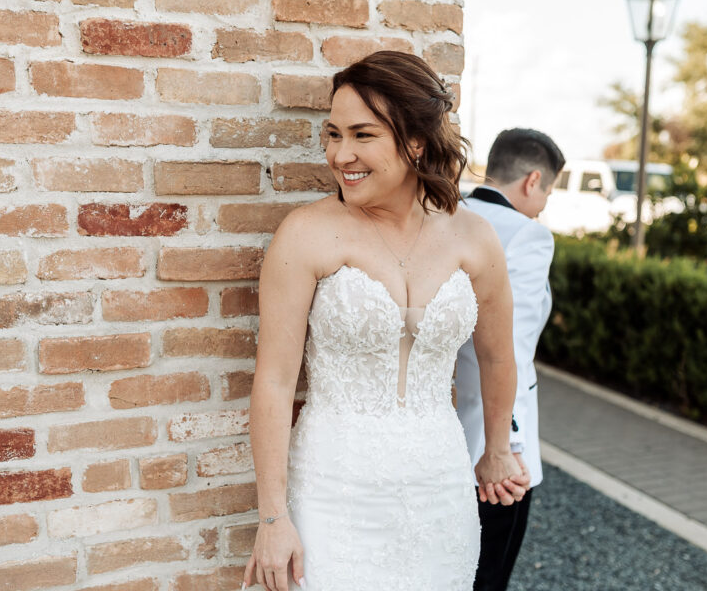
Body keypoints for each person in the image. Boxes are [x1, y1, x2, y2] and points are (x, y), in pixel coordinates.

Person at [242, 51, 528, 591]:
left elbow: (496, 357)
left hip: (439, 492)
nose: (340, 154)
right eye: (333, 134)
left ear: (415, 141)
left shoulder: (473, 237)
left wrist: (496, 450)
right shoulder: (305, 234)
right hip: (332, 492)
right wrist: (273, 518)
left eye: (362, 135)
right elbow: (274, 383)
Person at [456, 128, 565, 591]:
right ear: (533, 180)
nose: (543, 205)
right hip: (494, 443)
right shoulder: (527, 235)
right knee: (487, 576)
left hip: (444, 431)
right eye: (548, 193)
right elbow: (510, 347)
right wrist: (509, 447)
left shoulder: (451, 213)